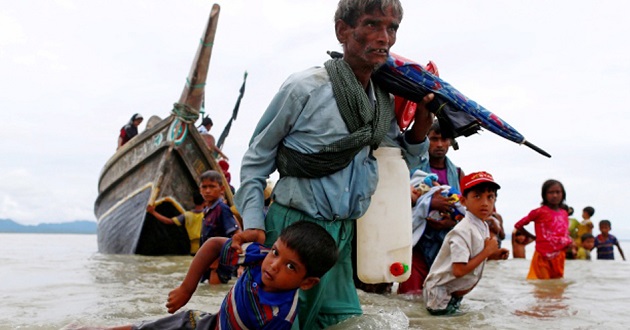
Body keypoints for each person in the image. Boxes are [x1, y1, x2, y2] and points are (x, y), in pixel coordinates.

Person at [233, 0, 436, 327]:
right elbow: (257, 158)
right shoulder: (305, 88)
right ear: (343, 29)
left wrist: (422, 127)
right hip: (292, 230)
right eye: (371, 25)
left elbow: (398, 165)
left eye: (391, 28)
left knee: (342, 322)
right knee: (278, 321)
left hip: (341, 236)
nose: (383, 37)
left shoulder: (381, 101)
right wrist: (254, 220)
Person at [84, 221, 339, 330]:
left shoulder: (280, 316)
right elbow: (215, 245)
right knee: (152, 327)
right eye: (275, 253)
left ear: (307, 283)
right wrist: (187, 288)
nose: (273, 265)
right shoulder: (258, 257)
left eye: (290, 266)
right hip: (208, 324)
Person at [423, 171, 509, 315]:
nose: (484, 203)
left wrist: (493, 254)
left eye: (490, 197)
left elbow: (474, 256)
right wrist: (487, 252)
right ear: (463, 202)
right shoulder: (461, 231)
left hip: (454, 292)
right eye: (477, 196)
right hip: (440, 293)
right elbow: (459, 270)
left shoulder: (483, 226)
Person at [398, 120, 463, 295]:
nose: (440, 144)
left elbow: (464, 208)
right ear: (426, 140)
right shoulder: (410, 169)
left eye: (444, 139)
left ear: (450, 142)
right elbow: (397, 201)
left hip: (444, 244)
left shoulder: (457, 173)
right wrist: (429, 204)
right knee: (410, 296)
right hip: (416, 244)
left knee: (440, 296)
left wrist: (450, 222)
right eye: (434, 139)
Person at [514, 179, 573, 279]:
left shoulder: (564, 213)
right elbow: (519, 225)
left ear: (563, 194)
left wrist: (569, 242)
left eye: (558, 192)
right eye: (551, 192)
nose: (555, 195)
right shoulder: (539, 212)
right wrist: (533, 237)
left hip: (559, 255)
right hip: (542, 255)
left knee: (557, 286)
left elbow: (564, 231)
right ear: (544, 195)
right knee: (543, 286)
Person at [199, 170, 241, 284]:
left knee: (215, 291)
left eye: (212, 187)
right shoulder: (207, 211)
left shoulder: (221, 209)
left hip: (218, 265)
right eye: (204, 187)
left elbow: (236, 234)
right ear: (200, 190)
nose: (207, 191)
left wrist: (219, 259)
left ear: (221, 189)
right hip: (208, 263)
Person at [146, 191, 205, 256]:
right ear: (205, 201)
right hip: (206, 247)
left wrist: (153, 212)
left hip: (193, 250)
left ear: (193, 200)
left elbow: (168, 221)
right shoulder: (208, 214)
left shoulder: (187, 215)